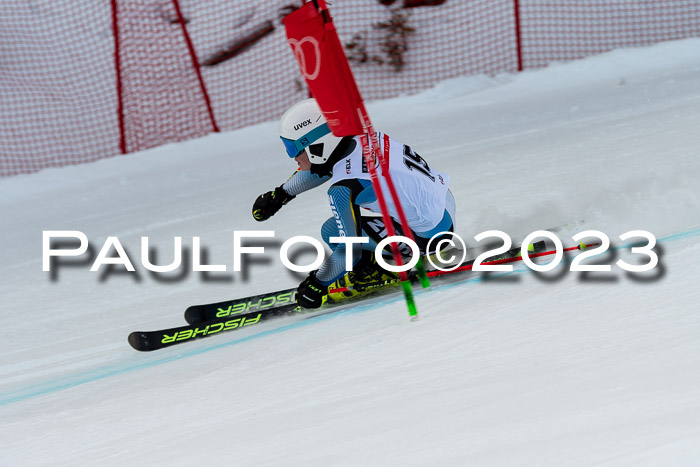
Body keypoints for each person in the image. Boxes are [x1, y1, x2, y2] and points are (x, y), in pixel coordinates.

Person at [252, 98, 456, 309]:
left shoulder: (342, 189)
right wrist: (281, 194)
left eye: (294, 149)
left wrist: (316, 285)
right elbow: (326, 168)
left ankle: (379, 269)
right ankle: (386, 258)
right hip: (443, 207)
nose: (293, 157)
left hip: (428, 238)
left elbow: (350, 249)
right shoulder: (363, 138)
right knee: (343, 227)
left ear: (316, 145)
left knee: (332, 231)